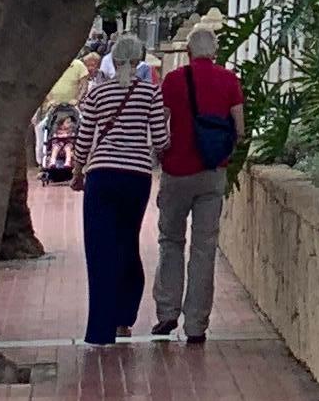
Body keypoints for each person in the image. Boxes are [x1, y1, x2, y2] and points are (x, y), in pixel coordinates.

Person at [152, 19, 247, 344]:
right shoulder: (229, 80)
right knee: (204, 248)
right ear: (216, 52)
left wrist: (162, 154)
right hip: (212, 174)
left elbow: (160, 126)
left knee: (171, 242)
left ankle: (167, 313)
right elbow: (240, 128)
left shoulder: (174, 80)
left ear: (189, 51)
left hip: (177, 172)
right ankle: (196, 325)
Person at [72, 31, 167, 346]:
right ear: (139, 61)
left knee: (99, 251)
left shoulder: (98, 93)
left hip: (102, 176)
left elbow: (84, 136)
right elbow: (161, 139)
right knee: (127, 246)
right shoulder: (151, 94)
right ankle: (124, 319)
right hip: (135, 178)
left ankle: (99, 330)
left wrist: (77, 171)